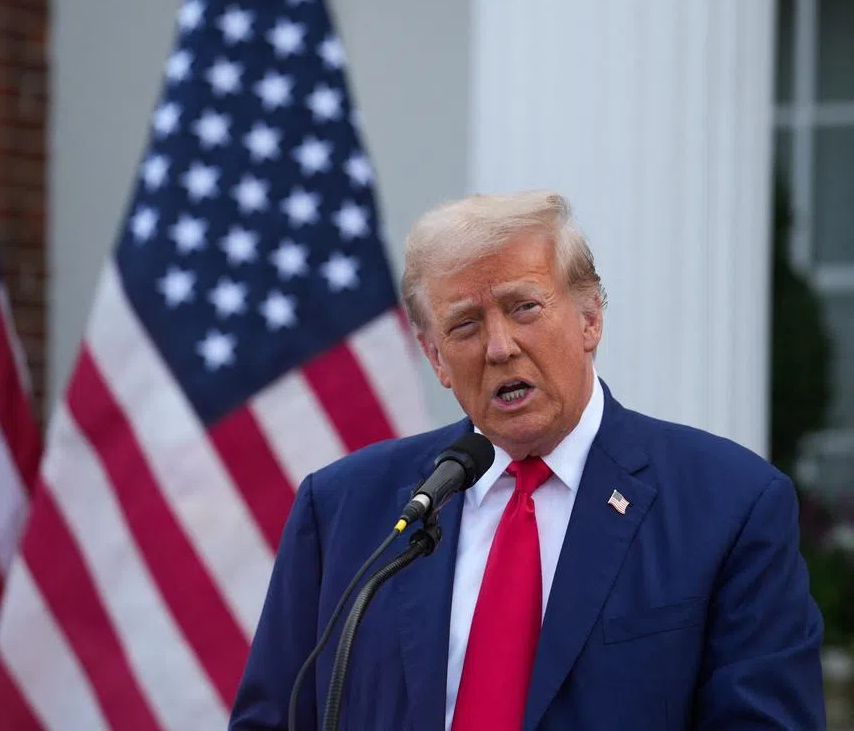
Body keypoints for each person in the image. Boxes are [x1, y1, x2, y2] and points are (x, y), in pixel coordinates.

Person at [229, 190, 826, 731]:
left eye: (524, 308)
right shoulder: (344, 509)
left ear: (590, 318)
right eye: (465, 325)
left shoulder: (729, 504)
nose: (499, 347)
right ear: (436, 358)